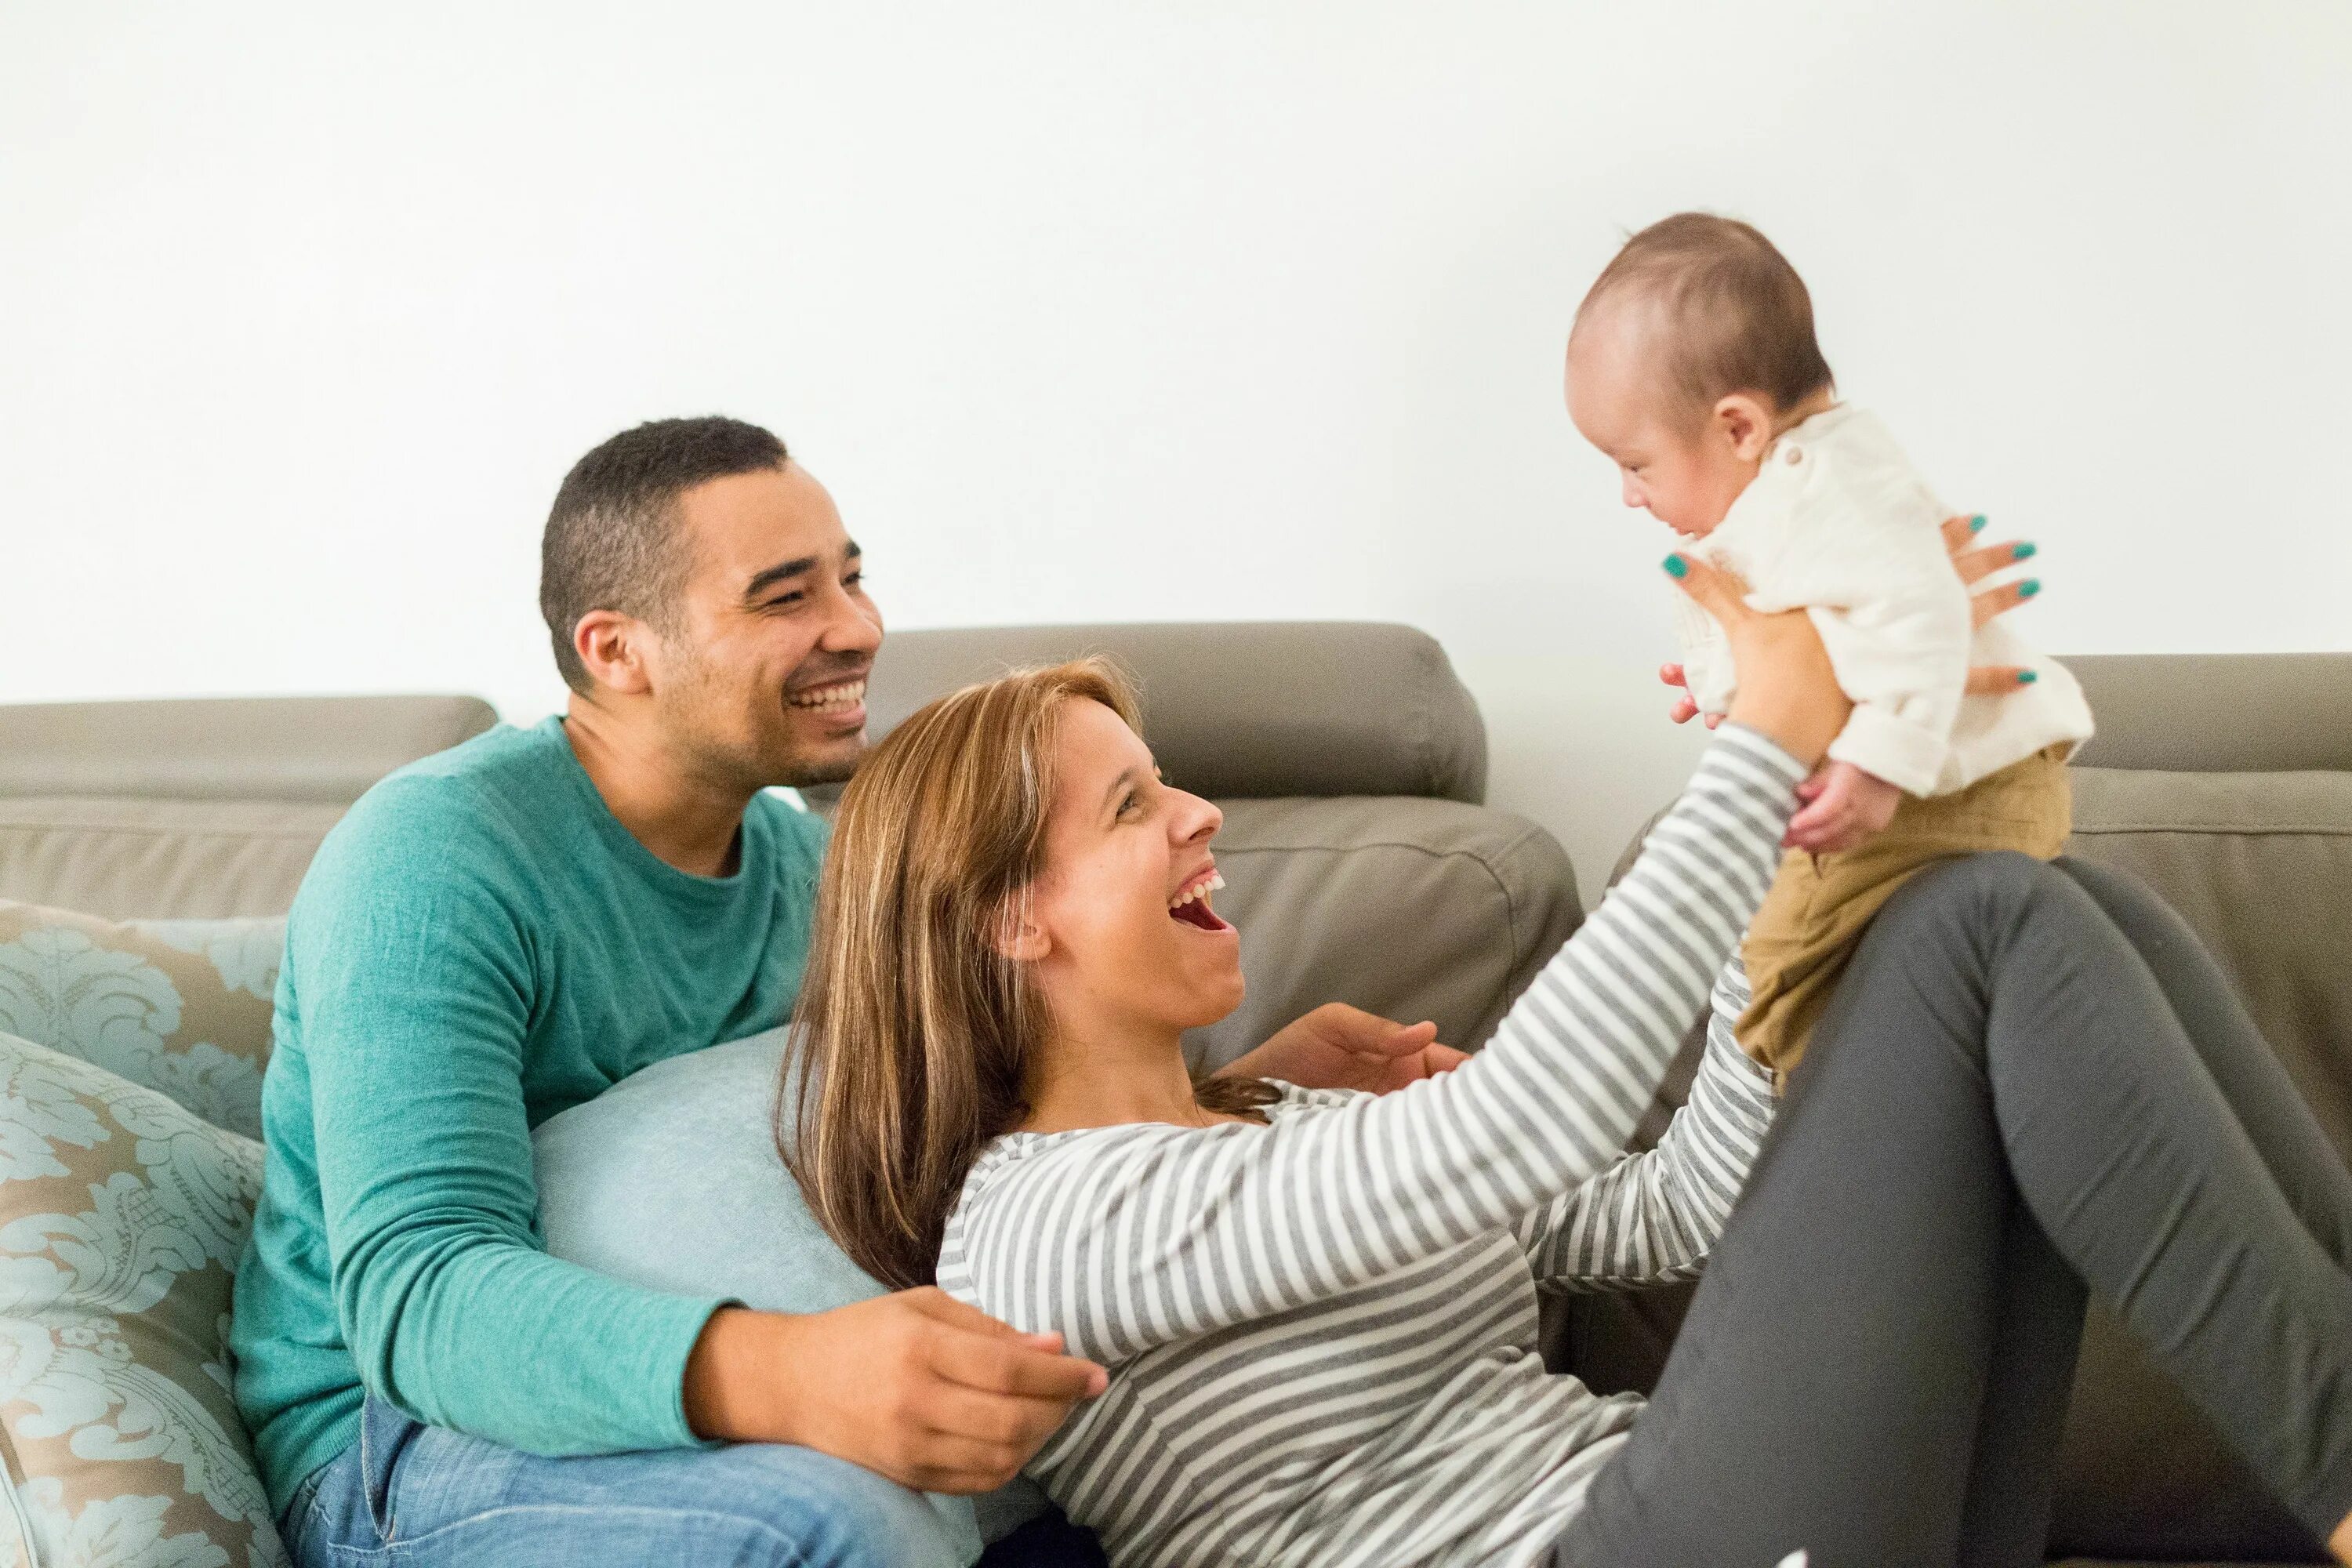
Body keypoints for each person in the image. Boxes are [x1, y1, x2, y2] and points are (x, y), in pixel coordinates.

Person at [786, 554, 2352, 1568]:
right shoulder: (1040, 1225)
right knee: (1982, 923)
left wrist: (1791, 868)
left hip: (1700, 1512)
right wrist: (1751, 758)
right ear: (1008, 923)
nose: (1200, 814)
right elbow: (1524, 1128)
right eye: (1132, 808)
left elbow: (1670, 1214)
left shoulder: (1293, 1113)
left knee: (2048, 907)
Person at [231, 416, 1467, 1567]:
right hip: (402, 1450)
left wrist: (1243, 1098)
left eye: (850, 577)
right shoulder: (438, 858)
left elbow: (996, 1125)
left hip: (742, 1399)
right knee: (835, 1524)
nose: (860, 627)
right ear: (618, 652)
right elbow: (417, 1293)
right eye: (788, 597)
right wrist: (792, 1377)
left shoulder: (815, 867)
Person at [1566, 212, 2093, 1083]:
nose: (1628, 495)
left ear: (1739, 427)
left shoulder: (1825, 487)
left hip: (1945, 792)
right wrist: (1733, 685)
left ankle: (1844, 1118)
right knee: (1804, 960)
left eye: (1636, 463)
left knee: (1786, 967)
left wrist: (1879, 764)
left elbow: (1920, 614)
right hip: (1952, 785)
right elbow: (1832, 634)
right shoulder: (1792, 480)